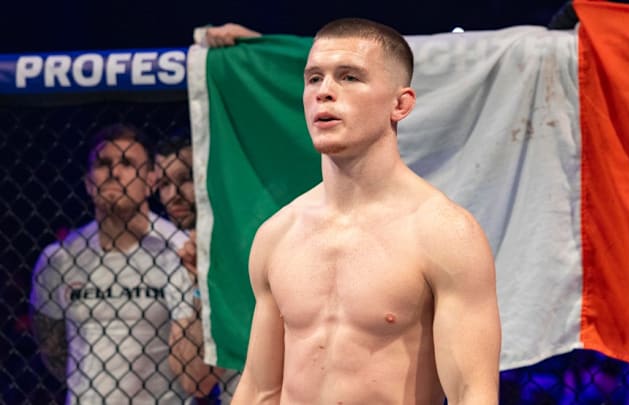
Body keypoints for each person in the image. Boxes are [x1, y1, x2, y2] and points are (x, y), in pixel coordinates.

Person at [231, 18, 501, 405]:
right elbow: (260, 390)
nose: (324, 92)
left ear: (400, 104)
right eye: (314, 78)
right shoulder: (278, 234)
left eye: (349, 77)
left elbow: (472, 394)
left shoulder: (444, 233)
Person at [30, 123, 215, 404]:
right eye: (103, 164)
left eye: (127, 163)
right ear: (88, 182)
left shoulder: (179, 251)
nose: (114, 173)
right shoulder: (59, 259)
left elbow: (196, 367)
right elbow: (52, 349)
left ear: (151, 181)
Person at [154, 131, 243, 404]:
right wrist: (202, 286)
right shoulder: (181, 260)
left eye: (185, 179)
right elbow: (195, 379)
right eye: (164, 184)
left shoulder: (254, 235)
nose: (173, 195)